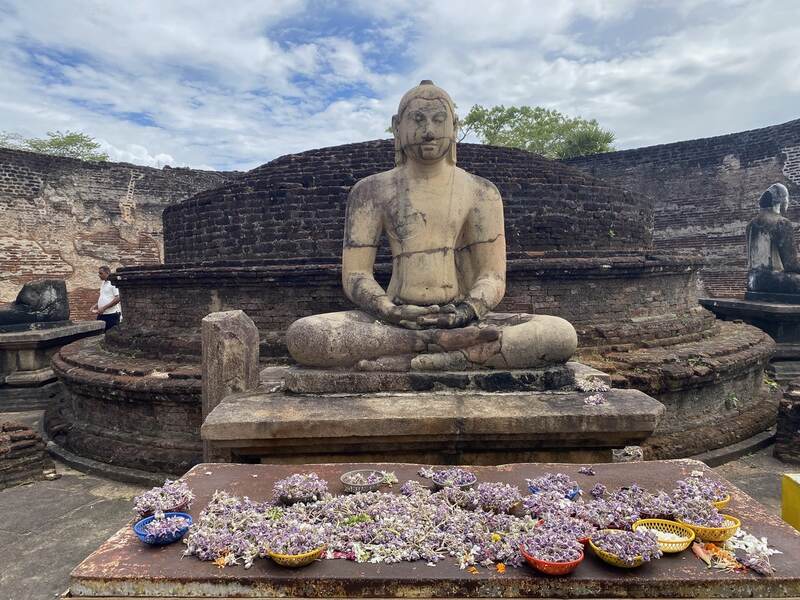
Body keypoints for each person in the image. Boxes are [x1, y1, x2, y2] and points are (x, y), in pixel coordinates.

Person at [286, 80, 577, 371]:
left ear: (455, 126)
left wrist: (465, 312)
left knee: (560, 334)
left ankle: (437, 355)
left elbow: (492, 276)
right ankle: (436, 350)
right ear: (397, 126)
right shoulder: (371, 191)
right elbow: (356, 275)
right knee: (305, 335)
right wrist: (389, 309)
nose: (429, 131)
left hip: (461, 317)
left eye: (439, 120)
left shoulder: (481, 192)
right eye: (418, 120)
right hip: (395, 319)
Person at [746, 183, 800, 295]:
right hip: (776, 280)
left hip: (752, 281)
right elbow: (791, 265)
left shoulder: (750, 225)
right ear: (781, 201)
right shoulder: (782, 222)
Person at [91, 265, 121, 329]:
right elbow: (104, 296)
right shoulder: (103, 283)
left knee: (111, 335)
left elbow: (118, 298)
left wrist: (104, 308)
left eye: (101, 273)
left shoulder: (113, 283)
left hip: (111, 315)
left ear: (107, 273)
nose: (99, 275)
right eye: (99, 273)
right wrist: (96, 305)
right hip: (102, 314)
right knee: (100, 333)